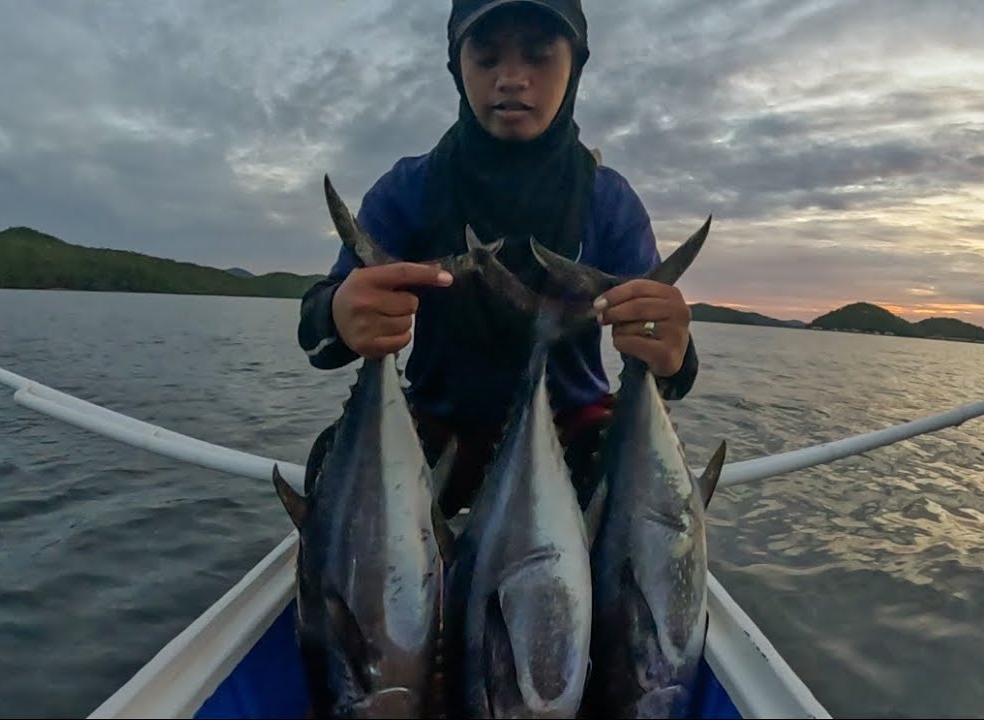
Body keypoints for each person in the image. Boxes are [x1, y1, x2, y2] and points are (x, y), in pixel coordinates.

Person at [296, 0, 700, 517]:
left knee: (650, 500)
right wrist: (338, 312)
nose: (512, 79)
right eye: (487, 59)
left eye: (538, 56)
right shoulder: (407, 190)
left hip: (573, 437)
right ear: (455, 68)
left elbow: (674, 374)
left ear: (574, 66)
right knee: (328, 460)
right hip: (435, 436)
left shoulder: (609, 202)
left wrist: (672, 349)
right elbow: (319, 342)